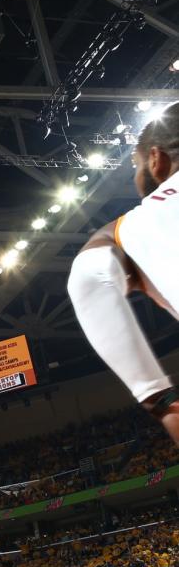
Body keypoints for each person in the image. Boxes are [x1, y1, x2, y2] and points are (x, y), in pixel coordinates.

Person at [68, 102, 179, 443]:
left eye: (135, 165)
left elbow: (89, 275)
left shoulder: (136, 225)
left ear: (156, 160)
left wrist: (161, 400)